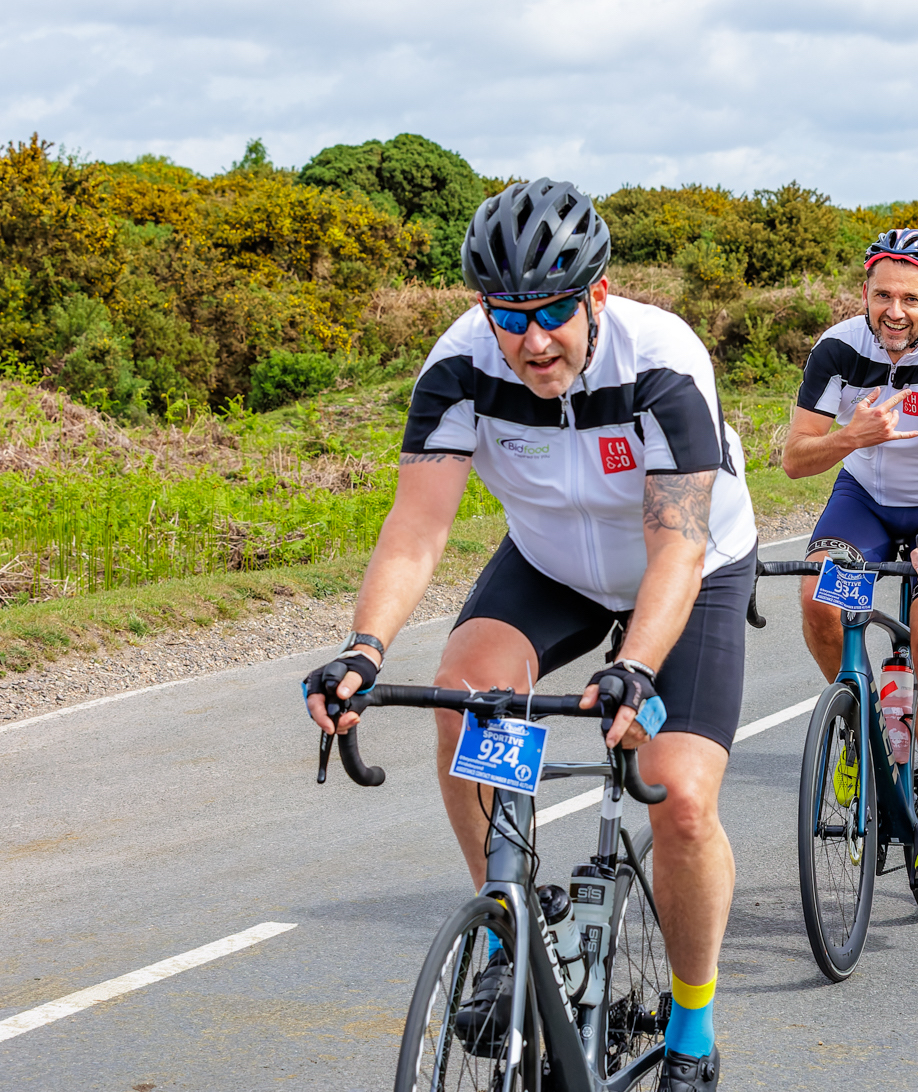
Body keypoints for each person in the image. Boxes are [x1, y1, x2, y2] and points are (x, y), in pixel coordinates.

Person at [303, 179, 753, 1092]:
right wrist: (363, 648)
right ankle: (515, 920)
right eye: (511, 316)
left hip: (687, 569)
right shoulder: (463, 364)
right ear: (483, 307)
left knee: (680, 795)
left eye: (554, 310)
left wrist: (634, 667)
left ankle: (693, 1026)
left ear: (597, 293)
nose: (534, 339)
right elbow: (417, 528)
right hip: (553, 566)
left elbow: (676, 544)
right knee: (464, 696)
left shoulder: (661, 358)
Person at [783, 228, 918, 880]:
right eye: (882, 295)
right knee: (819, 599)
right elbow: (796, 458)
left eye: (911, 297)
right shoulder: (836, 350)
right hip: (868, 497)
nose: (895, 311)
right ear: (865, 293)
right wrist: (850, 437)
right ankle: (864, 725)